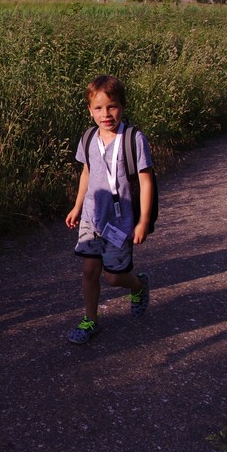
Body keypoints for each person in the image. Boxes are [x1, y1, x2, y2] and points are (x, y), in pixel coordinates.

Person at [64, 75, 153, 344]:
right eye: (99, 108)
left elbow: (146, 182)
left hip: (119, 221)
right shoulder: (89, 137)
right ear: (90, 110)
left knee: (114, 277)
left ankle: (138, 285)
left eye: (112, 106)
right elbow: (87, 173)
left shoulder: (134, 139)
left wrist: (142, 221)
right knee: (89, 271)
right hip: (91, 218)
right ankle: (90, 319)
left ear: (122, 106)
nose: (106, 114)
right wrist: (77, 206)